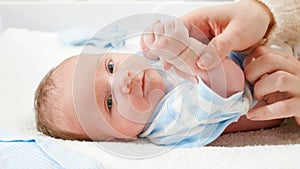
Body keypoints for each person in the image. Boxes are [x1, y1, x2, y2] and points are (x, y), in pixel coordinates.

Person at [34, 18, 282, 147]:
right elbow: (230, 83)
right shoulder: (169, 124)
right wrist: (183, 49)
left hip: (268, 48)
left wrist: (168, 33)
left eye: (110, 67)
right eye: (109, 102)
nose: (122, 80)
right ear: (119, 138)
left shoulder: (143, 70)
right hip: (278, 89)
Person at [150, 0, 300, 125]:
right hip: (268, 60)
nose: (127, 82)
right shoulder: (164, 124)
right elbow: (230, 85)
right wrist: (264, 12)